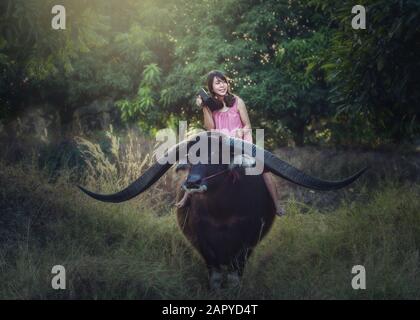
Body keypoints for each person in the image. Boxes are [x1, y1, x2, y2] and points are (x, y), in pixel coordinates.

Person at [176, 70, 285, 216]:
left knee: (263, 169)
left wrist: (240, 132)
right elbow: (210, 128)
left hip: (240, 143)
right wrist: (204, 107)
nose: (222, 85)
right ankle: (186, 197)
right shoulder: (210, 106)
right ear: (211, 87)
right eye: (217, 83)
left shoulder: (237, 101)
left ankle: (277, 205)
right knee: (199, 161)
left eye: (224, 81)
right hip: (220, 146)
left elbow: (247, 125)